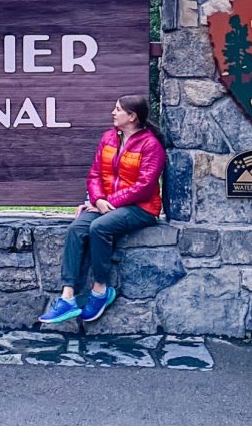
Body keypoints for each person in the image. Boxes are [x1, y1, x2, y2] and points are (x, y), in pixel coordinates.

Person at [38, 94, 167, 325]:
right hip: (105, 204)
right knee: (77, 228)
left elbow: (145, 186)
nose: (113, 113)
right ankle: (67, 297)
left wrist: (111, 202)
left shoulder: (151, 145)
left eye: (118, 109)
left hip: (141, 208)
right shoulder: (109, 138)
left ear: (132, 116)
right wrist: (98, 200)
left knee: (99, 227)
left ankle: (100, 291)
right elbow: (95, 173)